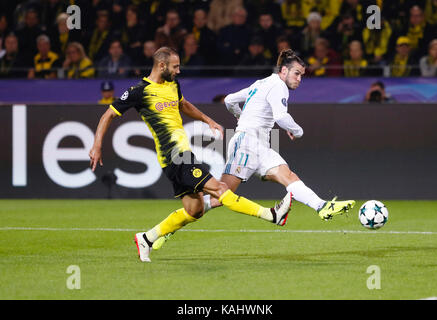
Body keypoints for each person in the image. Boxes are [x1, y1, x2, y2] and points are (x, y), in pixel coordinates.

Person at [89, 47, 292, 262]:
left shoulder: (172, 85)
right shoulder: (139, 91)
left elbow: (183, 104)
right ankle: (272, 215)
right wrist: (97, 145)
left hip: (182, 156)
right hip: (174, 157)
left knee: (195, 210)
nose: (178, 70)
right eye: (175, 66)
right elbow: (108, 115)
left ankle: (147, 238)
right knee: (220, 189)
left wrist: (209, 120)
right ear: (161, 66)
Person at [153, 49, 356, 250]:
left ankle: (322, 207)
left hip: (260, 145)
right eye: (296, 73)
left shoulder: (263, 82)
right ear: (284, 71)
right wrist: (298, 130)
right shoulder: (278, 86)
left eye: (302, 75)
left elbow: (230, 100)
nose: (299, 79)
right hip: (246, 144)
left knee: (289, 176)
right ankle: (165, 230)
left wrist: (240, 117)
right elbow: (281, 117)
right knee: (220, 197)